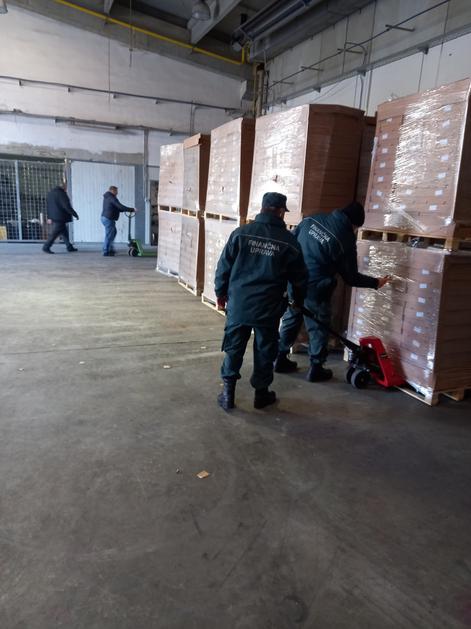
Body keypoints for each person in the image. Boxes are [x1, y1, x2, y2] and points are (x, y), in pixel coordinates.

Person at [274, 201, 390, 382]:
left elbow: (290, 243)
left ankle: (279, 358)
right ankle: (316, 368)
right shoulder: (345, 239)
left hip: (295, 280)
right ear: (353, 224)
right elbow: (351, 277)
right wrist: (376, 282)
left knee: (292, 316)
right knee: (318, 326)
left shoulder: (312, 220)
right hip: (316, 287)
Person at [215, 192, 308, 411]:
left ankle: (228, 394)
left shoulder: (241, 233)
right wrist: (297, 300)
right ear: (280, 212)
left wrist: (220, 293)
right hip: (268, 307)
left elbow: (224, 267)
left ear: (262, 208)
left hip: (239, 304)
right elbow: (299, 278)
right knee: (265, 350)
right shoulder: (289, 242)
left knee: (234, 348)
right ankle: (261, 394)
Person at [42, 182, 79, 254]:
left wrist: (49, 217)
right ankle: (46, 247)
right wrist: (74, 214)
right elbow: (66, 206)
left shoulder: (50, 193)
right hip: (60, 216)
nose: (66, 189)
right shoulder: (61, 194)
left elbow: (48, 206)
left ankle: (69, 247)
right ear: (63, 187)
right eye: (66, 187)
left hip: (54, 216)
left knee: (64, 232)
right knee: (54, 233)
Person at [101, 186, 136, 256]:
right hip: (108, 218)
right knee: (109, 235)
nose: (117, 193)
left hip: (106, 218)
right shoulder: (111, 197)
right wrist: (132, 209)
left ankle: (109, 249)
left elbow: (117, 208)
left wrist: (127, 210)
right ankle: (106, 251)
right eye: (116, 191)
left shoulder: (108, 197)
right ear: (112, 190)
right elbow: (119, 206)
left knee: (112, 233)